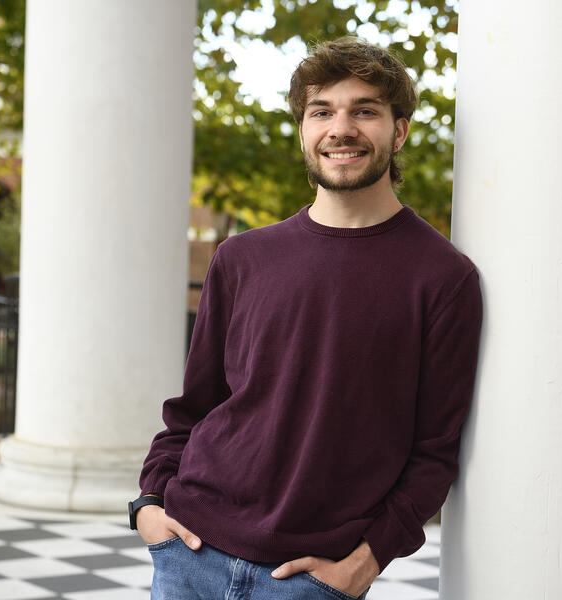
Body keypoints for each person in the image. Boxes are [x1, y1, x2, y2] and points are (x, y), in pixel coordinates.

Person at [129, 37, 483, 600]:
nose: (341, 129)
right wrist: (149, 505)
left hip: (312, 578)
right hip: (189, 551)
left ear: (400, 130)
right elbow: (195, 407)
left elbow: (434, 454)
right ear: (303, 130)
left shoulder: (443, 277)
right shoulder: (242, 258)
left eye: (364, 110)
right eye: (322, 112)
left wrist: (362, 566)